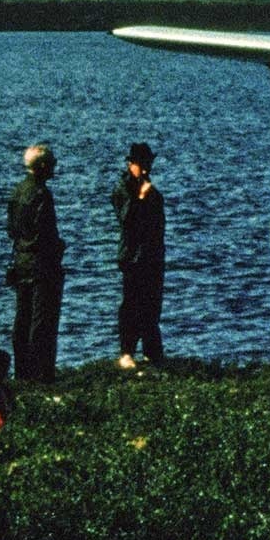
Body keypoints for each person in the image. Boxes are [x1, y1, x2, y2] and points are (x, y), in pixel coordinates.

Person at [6, 143, 64, 383]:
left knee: (23, 318)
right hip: (42, 262)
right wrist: (58, 248)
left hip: (21, 260)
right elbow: (47, 231)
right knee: (43, 320)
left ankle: (22, 372)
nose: (54, 166)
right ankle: (42, 374)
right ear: (41, 166)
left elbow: (11, 229)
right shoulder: (42, 194)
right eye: (51, 162)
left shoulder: (18, 191)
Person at [111, 142, 165, 369]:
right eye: (141, 165)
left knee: (152, 306)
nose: (145, 170)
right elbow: (126, 220)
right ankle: (126, 352)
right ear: (130, 164)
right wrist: (140, 199)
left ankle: (152, 353)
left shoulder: (153, 191)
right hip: (132, 257)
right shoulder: (122, 189)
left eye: (148, 164)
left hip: (152, 257)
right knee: (131, 305)